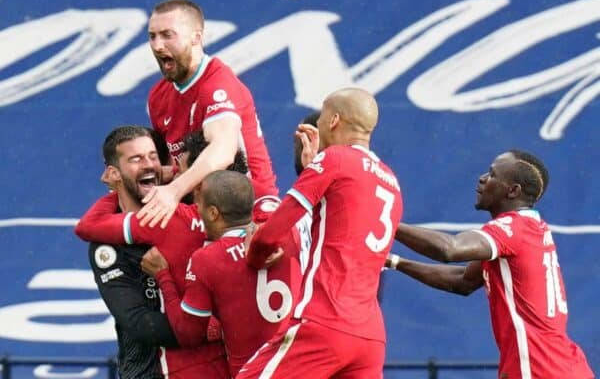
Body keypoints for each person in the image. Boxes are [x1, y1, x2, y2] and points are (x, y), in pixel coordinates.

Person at [239, 88, 404, 378]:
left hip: (325, 320)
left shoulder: (335, 159)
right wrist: (311, 170)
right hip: (370, 336)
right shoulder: (391, 180)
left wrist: (252, 259)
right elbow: (340, 221)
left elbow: (269, 234)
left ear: (333, 120)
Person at [389, 150, 594, 379]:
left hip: (540, 368)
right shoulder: (530, 228)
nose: (482, 178)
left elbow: (450, 248)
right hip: (560, 364)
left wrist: (385, 220)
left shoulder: (513, 228)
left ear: (513, 190)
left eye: (493, 174)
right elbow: (463, 281)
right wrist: (395, 262)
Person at [75, 127, 229, 379]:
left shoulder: (189, 213)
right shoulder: (106, 245)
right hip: (147, 372)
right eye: (136, 159)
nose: (149, 165)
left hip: (211, 368)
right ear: (113, 173)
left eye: (153, 156)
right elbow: (138, 322)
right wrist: (211, 328)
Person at [141, 170, 302, 376]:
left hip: (254, 372)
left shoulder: (207, 259)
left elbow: (188, 334)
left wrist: (163, 275)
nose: (196, 208)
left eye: (198, 203)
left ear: (213, 213)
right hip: (302, 365)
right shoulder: (290, 239)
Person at [139, 0, 279, 229]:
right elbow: (174, 165)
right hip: (203, 215)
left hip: (250, 216)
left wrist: (173, 191)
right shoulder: (157, 96)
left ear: (197, 36)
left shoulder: (217, 84)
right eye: (152, 36)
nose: (157, 45)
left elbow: (223, 150)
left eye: (167, 35)